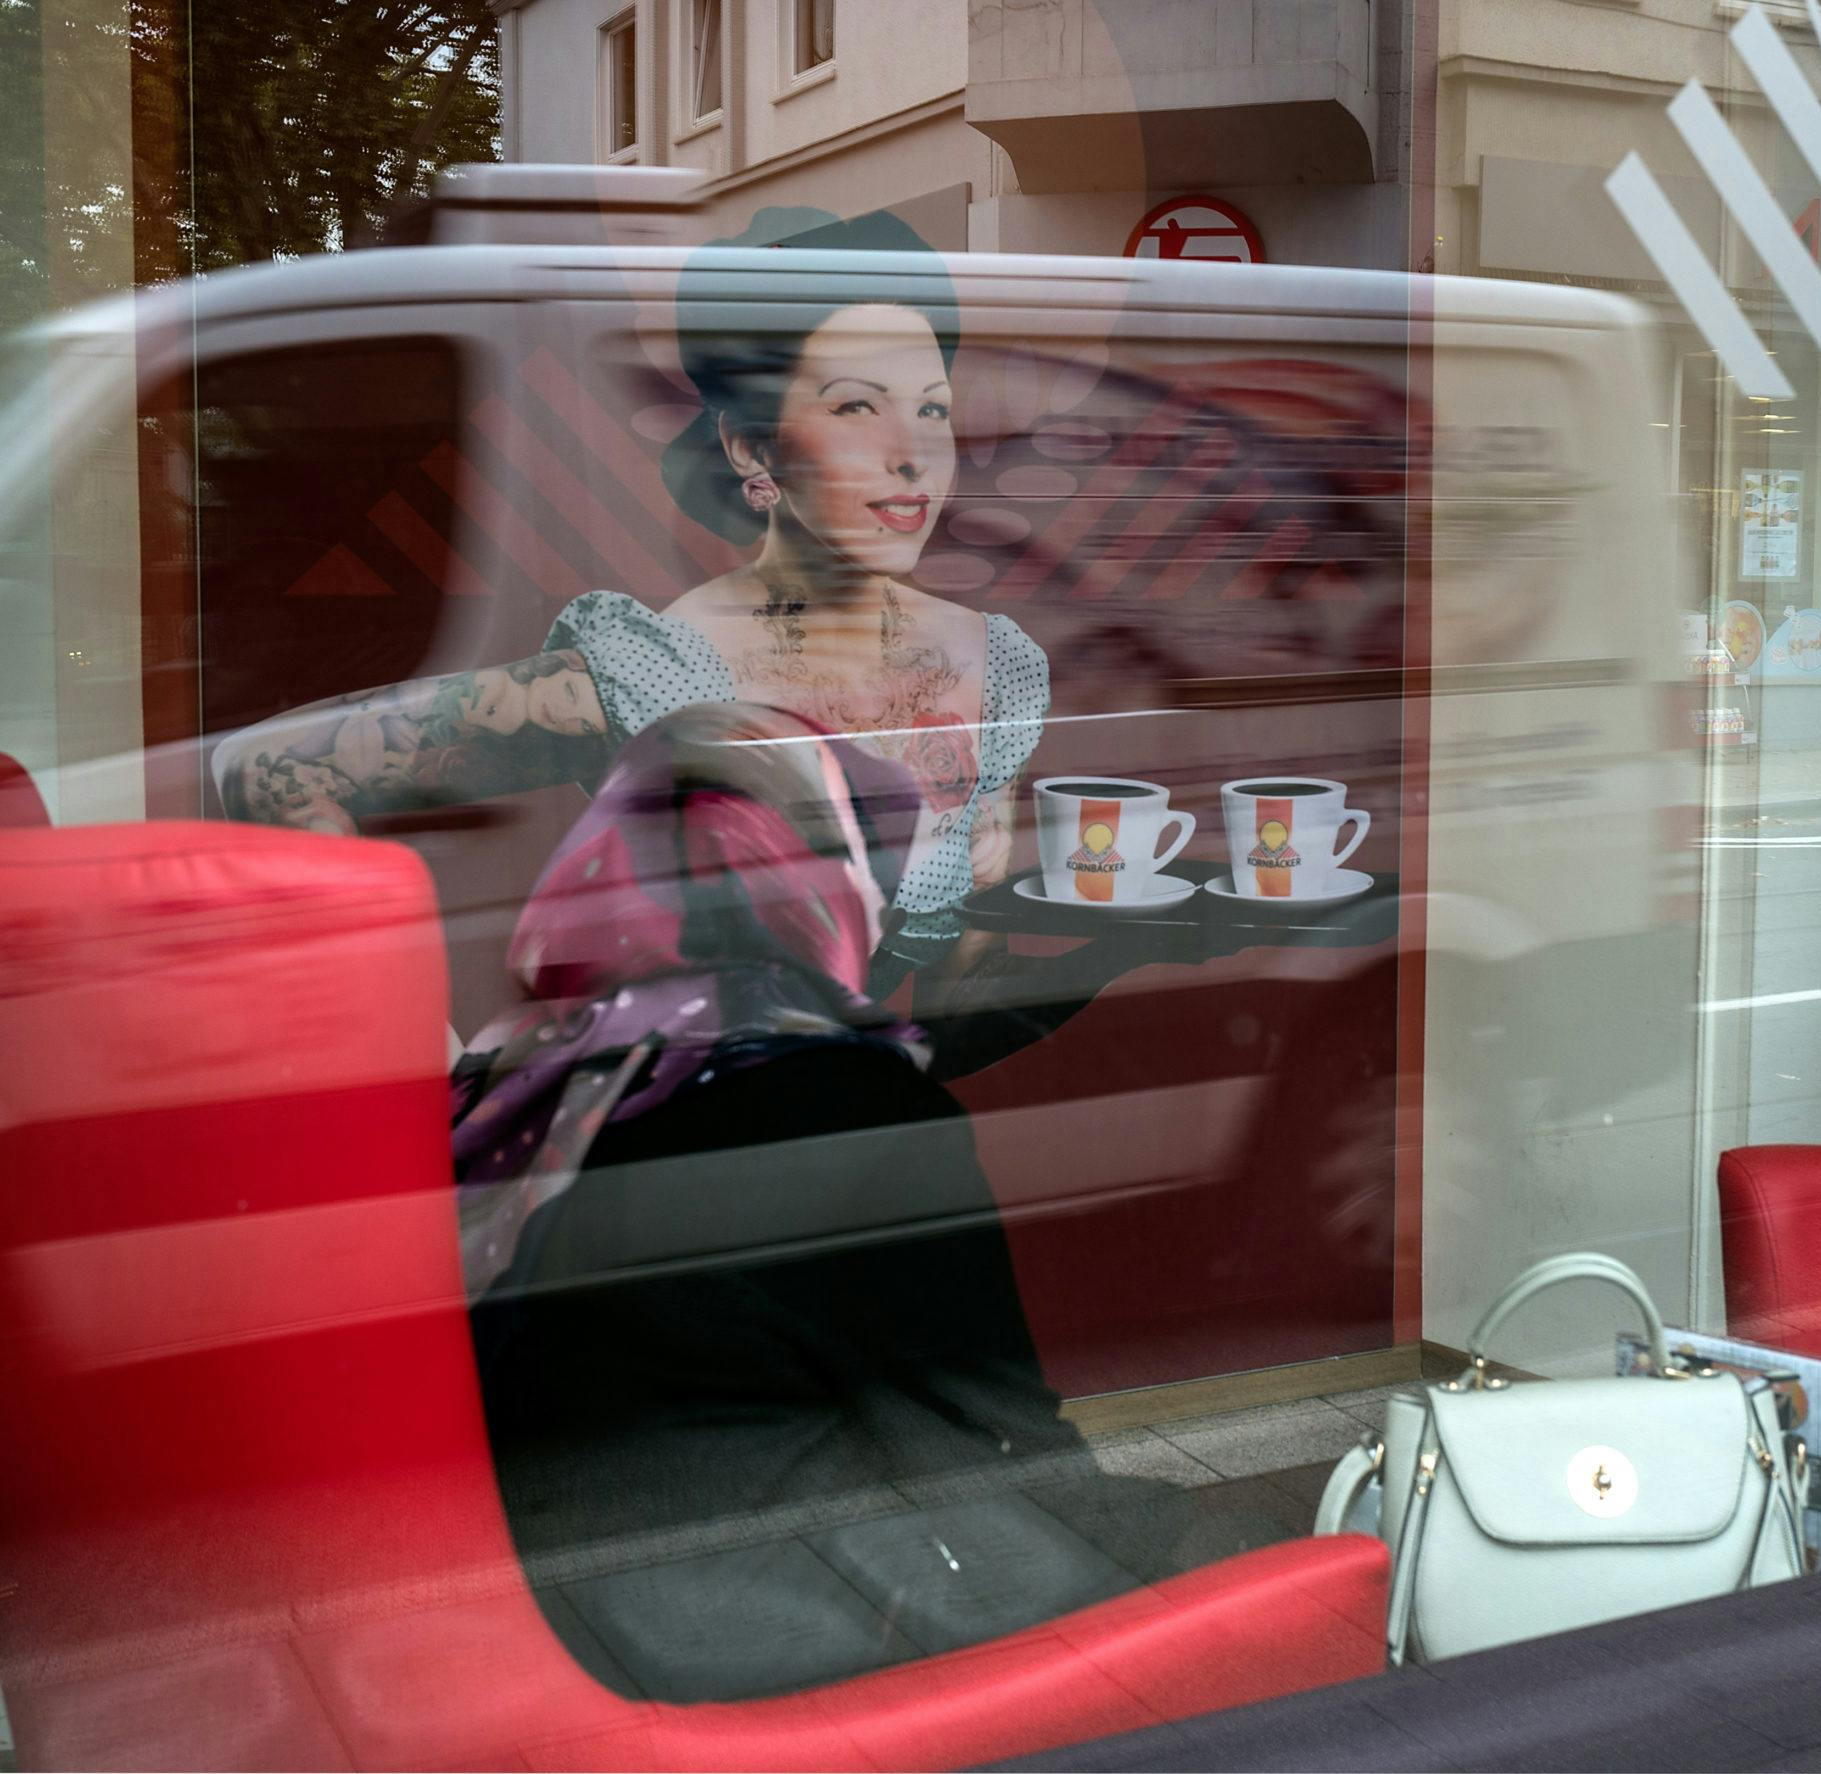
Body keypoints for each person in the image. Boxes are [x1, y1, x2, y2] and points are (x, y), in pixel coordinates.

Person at [455, 703, 1150, 1703]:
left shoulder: (526, 1069)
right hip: (748, 1635)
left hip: (537, 1608)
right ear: (820, 885)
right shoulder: (850, 1105)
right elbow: (984, 1431)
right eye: (866, 861)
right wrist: (1140, 1567)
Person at [213, 206, 1043, 997]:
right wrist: (417, 1042)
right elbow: (270, 768)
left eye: (932, 409)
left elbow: (967, 971)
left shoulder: (993, 663)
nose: (913, 454)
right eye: (856, 406)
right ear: (751, 447)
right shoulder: (663, 671)